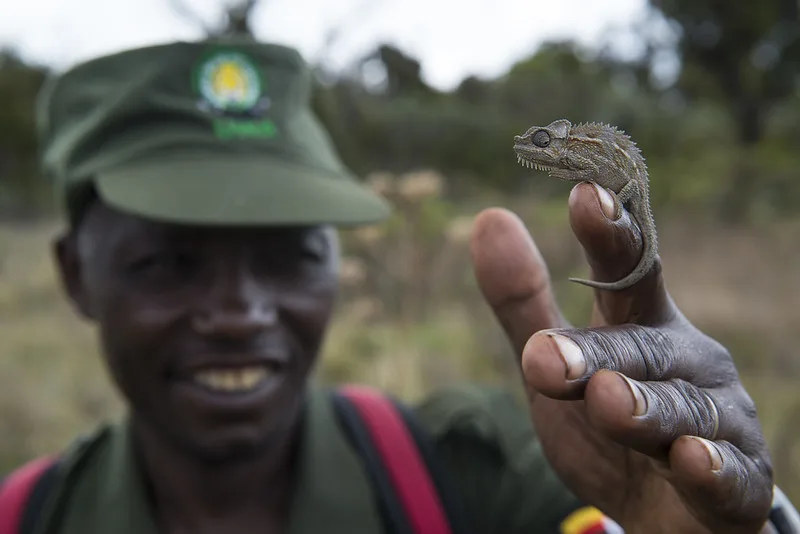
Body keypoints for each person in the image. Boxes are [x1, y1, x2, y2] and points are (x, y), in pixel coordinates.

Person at [0, 37, 796, 534]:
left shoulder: (466, 477)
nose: (241, 313)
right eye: (169, 263)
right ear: (76, 275)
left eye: (287, 256)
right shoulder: (26, 518)